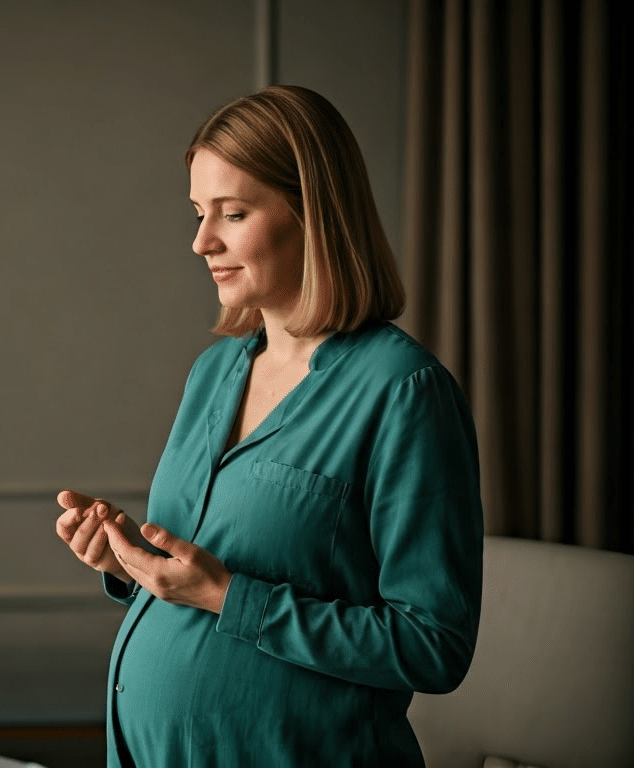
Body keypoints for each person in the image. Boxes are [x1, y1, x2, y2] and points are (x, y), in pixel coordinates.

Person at [54, 85, 483, 767]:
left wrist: (230, 596)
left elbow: (434, 645)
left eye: (233, 213)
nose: (201, 241)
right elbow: (202, 573)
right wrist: (129, 561)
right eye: (198, 212)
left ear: (314, 214)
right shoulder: (213, 372)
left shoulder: (404, 392)